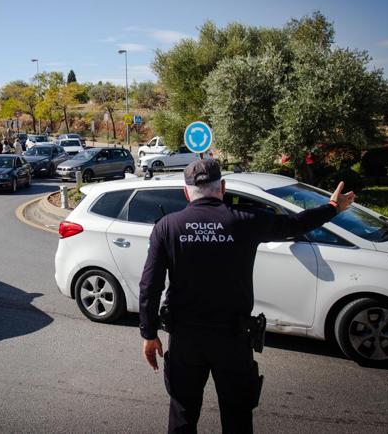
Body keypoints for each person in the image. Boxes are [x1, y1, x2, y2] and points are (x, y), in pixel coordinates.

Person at [139, 159, 355, 434]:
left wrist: (148, 333)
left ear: (186, 191)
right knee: (238, 416)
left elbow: (150, 284)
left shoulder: (168, 227)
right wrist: (332, 208)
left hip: (186, 340)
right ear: (223, 187)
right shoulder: (245, 220)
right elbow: (294, 224)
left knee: (183, 412)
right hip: (233, 339)